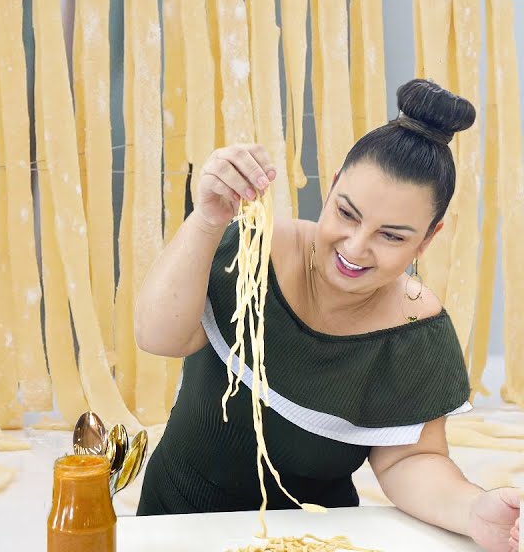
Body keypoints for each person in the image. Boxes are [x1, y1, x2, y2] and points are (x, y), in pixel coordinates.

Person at [133, 78, 520, 551]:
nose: (356, 249)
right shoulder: (255, 252)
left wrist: (473, 509)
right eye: (347, 213)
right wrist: (209, 219)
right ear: (333, 184)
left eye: (392, 236)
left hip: (317, 537)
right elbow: (159, 336)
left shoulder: (415, 330)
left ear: (428, 238)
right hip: (178, 523)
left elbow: (407, 462)